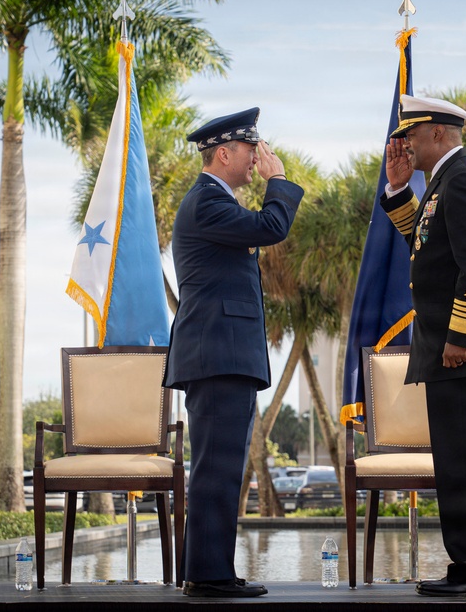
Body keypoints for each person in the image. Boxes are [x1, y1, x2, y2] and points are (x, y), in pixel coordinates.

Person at [163, 108, 304, 598]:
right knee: (216, 470)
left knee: (220, 468)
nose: (256, 159)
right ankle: (208, 575)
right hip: (218, 355)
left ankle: (210, 570)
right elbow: (271, 225)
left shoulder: (212, 201)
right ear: (223, 153)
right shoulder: (207, 202)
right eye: (249, 150)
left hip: (222, 353)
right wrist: (279, 180)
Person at [380, 94, 466, 597]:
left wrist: (459, 337)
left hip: (461, 347)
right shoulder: (443, 181)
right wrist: (397, 190)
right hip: (446, 345)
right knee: (455, 460)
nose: (405, 143)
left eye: (411, 134)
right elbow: (427, 244)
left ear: (437, 133)